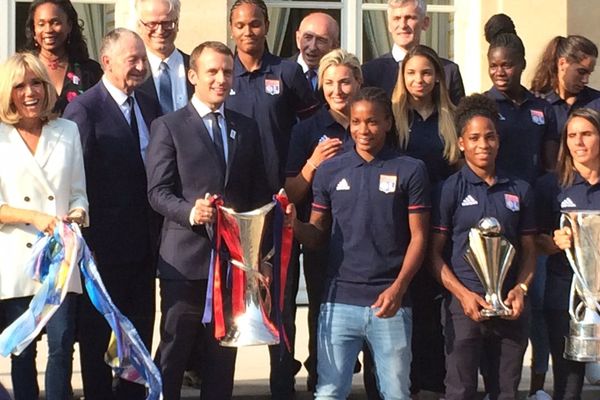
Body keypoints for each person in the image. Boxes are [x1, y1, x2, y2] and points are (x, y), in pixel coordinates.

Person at [146, 40, 270, 400]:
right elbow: (157, 192)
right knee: (174, 351)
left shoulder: (245, 127)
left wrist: (259, 255)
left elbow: (255, 194)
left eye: (227, 72)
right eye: (212, 71)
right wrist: (190, 212)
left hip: (233, 265)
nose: (221, 79)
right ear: (192, 76)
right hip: (186, 263)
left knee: (221, 359)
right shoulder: (168, 126)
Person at [292, 86, 430, 399]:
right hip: (338, 300)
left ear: (387, 123)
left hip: (390, 303)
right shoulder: (329, 171)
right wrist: (294, 226)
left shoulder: (411, 169)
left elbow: (420, 237)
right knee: (328, 392)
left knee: (396, 393)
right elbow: (316, 234)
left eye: (371, 122)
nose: (362, 130)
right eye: (356, 122)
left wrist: (398, 288)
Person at [225, 1, 319, 397]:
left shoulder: (288, 72)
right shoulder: (221, 72)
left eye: (256, 24)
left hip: (280, 204)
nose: (249, 32)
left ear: (267, 26)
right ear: (232, 29)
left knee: (281, 300)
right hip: (231, 207)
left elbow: (311, 126)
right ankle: (218, 382)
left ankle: (282, 383)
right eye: (241, 25)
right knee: (230, 300)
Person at [63, 28, 161, 400]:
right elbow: (76, 181)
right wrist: (87, 246)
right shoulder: (84, 109)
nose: (140, 66)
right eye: (131, 59)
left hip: (144, 247)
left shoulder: (149, 105)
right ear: (106, 62)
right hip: (103, 252)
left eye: (142, 58)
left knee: (138, 336)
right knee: (98, 342)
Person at [429, 93, 536, 400]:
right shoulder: (448, 190)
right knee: (460, 391)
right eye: (474, 138)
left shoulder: (521, 190)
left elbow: (529, 251)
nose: (483, 144)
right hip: (465, 309)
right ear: (461, 143)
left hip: (510, 309)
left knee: (505, 392)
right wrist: (463, 295)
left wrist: (521, 290)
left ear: (498, 141)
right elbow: (433, 254)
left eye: (489, 137)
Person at [0, 52, 88, 400]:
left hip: (61, 260)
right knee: (22, 350)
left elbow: (79, 193)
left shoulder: (67, 130)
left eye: (36, 82)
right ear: (9, 92)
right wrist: (36, 217)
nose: (30, 92)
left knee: (62, 343)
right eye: (20, 86)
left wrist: (77, 215)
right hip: (18, 258)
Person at [483, 14, 555, 399]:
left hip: (533, 218)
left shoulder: (541, 109)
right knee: (496, 304)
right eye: (493, 65)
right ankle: (495, 384)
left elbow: (548, 166)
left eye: (506, 64)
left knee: (535, 303)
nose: (499, 71)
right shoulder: (483, 106)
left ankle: (539, 384)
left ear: (522, 64)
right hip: (493, 220)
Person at [284, 48, 362, 392]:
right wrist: (312, 163)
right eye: (329, 83)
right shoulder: (307, 130)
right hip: (322, 241)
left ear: (359, 82)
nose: (338, 90)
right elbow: (290, 192)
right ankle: (320, 384)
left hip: (371, 242)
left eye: (345, 81)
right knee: (323, 315)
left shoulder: (377, 123)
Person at [388, 44, 460, 399]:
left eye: (427, 73)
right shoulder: (393, 117)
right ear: (403, 77)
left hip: (443, 222)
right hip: (402, 224)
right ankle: (408, 383)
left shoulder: (452, 117)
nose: (420, 79)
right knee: (409, 304)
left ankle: (435, 384)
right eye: (412, 72)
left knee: (439, 307)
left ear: (438, 78)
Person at [541, 108, 600, 399]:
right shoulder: (550, 186)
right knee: (568, 385)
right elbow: (534, 241)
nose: (579, 142)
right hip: (565, 296)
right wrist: (554, 242)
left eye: (587, 134)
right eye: (572, 135)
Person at [361, 0, 464, 105]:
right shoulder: (369, 73)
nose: (402, 25)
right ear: (389, 25)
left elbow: (460, 119)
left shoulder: (448, 72)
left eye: (410, 18)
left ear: (425, 22)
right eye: (396, 18)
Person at [25, 0, 102, 115]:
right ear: (34, 30)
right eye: (41, 24)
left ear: (69, 25)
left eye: (55, 22)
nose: (48, 30)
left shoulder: (89, 70)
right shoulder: (24, 70)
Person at [531, 35, 600, 132]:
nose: (585, 80)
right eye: (581, 72)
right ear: (562, 63)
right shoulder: (537, 102)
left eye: (589, 73)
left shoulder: (596, 103)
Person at [135, 0, 193, 115]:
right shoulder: (132, 72)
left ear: (177, 24)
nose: (160, 30)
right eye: (152, 24)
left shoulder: (196, 67)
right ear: (139, 26)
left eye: (166, 23)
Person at [292, 12, 339, 104]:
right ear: (298, 39)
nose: (313, 47)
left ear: (334, 46)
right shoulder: (279, 72)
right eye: (308, 37)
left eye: (321, 40)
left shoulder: (339, 79)